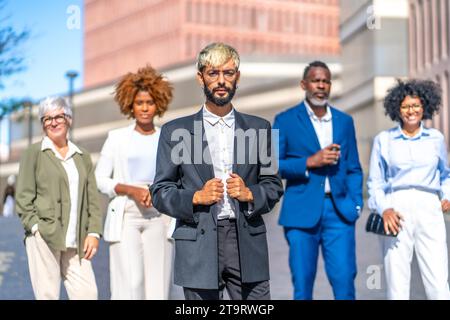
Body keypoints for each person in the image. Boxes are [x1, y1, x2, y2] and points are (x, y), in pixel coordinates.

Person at [151, 42, 284, 300]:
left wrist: (251, 194)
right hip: (198, 242)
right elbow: (160, 191)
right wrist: (194, 197)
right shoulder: (174, 131)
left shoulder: (260, 128)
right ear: (201, 78)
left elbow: (273, 184)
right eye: (213, 73)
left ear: (238, 77)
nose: (221, 81)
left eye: (228, 73)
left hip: (246, 242)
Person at [273, 61, 363, 300]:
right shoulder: (284, 120)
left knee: (345, 282)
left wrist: (356, 204)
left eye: (325, 81)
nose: (321, 86)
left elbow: (354, 168)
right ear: (304, 84)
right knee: (302, 286)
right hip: (301, 214)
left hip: (340, 212)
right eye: (316, 80)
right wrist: (309, 162)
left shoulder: (345, 121)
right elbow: (270, 165)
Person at [95, 65, 174, 300]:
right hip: (126, 216)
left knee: (158, 288)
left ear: (158, 103)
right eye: (140, 103)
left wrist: (157, 190)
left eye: (150, 102)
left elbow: (176, 179)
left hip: (159, 217)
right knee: (131, 284)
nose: (145, 108)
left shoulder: (167, 137)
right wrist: (131, 189)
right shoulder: (116, 138)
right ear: (130, 104)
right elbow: (99, 179)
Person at [367, 79, 450, 300]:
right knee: (397, 282)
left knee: (438, 280)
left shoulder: (436, 139)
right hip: (396, 210)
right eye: (405, 106)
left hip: (429, 207)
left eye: (415, 105)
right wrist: (384, 209)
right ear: (397, 108)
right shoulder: (384, 140)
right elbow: (375, 182)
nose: (411, 111)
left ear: (424, 106)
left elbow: (446, 174)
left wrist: (447, 195)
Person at [15, 97, 102, 300]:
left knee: (87, 294)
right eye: (47, 119)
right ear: (43, 124)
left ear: (69, 119)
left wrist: (94, 233)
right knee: (48, 295)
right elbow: (24, 197)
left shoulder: (82, 156)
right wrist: (35, 228)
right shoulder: (34, 153)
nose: (53, 122)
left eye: (59, 117)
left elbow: (92, 200)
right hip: (44, 236)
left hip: (77, 239)